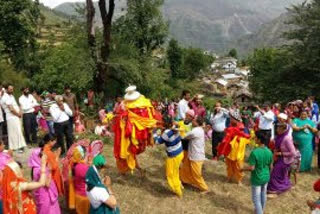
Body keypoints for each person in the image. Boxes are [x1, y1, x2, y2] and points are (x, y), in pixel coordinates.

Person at [241, 131, 273, 214]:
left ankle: (259, 212)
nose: (254, 139)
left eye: (255, 138)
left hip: (257, 178)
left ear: (259, 140)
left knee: (256, 198)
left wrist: (242, 169)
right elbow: (271, 167)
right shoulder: (269, 151)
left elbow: (252, 168)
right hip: (266, 177)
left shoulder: (254, 152)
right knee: (263, 194)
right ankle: (261, 210)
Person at [218, 111, 250, 184]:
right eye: (230, 118)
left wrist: (238, 137)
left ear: (236, 119)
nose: (230, 119)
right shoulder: (230, 126)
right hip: (230, 150)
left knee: (238, 165)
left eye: (232, 118)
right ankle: (229, 177)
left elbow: (247, 139)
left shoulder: (243, 128)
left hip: (238, 151)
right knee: (229, 165)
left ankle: (239, 180)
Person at [154, 120, 184, 197]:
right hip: (180, 153)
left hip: (173, 157)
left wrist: (155, 133)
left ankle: (178, 191)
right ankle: (179, 184)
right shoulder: (176, 128)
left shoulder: (167, 133)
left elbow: (157, 142)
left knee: (170, 175)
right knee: (176, 172)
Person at [180, 117, 209, 193]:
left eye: (193, 121)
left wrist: (178, 131)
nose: (192, 122)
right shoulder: (199, 129)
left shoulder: (195, 131)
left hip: (196, 156)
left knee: (196, 174)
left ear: (197, 123)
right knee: (185, 169)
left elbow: (184, 137)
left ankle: (204, 188)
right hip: (193, 154)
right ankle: (185, 180)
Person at [28, 147, 61, 214]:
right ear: (38, 158)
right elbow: (47, 184)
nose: (45, 157)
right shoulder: (41, 169)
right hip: (46, 195)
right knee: (50, 210)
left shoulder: (35, 168)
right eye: (42, 155)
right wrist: (50, 171)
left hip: (40, 194)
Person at [267, 123, 296, 198]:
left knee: (275, 174)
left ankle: (275, 191)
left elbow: (293, 152)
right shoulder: (279, 137)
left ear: (284, 130)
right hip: (279, 158)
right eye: (277, 128)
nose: (277, 130)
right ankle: (285, 186)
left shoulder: (287, 138)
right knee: (280, 174)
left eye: (279, 128)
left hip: (285, 159)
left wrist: (281, 153)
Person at [1, 84, 26, 152]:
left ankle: (19, 146)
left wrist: (20, 111)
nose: (12, 90)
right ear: (6, 89)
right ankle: (15, 147)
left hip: (16, 116)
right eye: (10, 89)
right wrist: (18, 114)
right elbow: (11, 109)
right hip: (11, 117)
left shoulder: (11, 96)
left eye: (12, 89)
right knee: (13, 132)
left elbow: (15, 106)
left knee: (18, 131)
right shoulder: (5, 97)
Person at [68, 145, 90, 214]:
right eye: (86, 154)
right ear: (82, 155)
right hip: (85, 196)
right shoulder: (84, 168)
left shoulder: (73, 164)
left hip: (77, 194)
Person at [0, 140, 12, 211]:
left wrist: (10, 156)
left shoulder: (3, 154)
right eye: (2, 144)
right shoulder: (2, 159)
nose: (4, 146)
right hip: (3, 188)